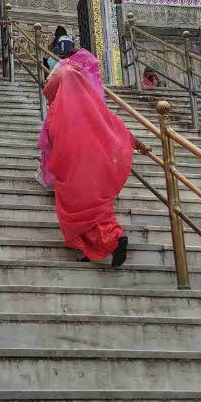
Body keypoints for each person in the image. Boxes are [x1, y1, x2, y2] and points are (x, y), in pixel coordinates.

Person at [39, 45, 133, 266]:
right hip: (95, 165)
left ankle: (103, 243)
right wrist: (133, 143)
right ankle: (115, 235)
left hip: (72, 168)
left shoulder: (57, 109)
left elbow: (51, 136)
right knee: (98, 208)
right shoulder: (91, 104)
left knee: (77, 209)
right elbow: (112, 126)